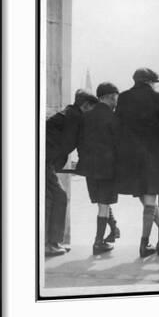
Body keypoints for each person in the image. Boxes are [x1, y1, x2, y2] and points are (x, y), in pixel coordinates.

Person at [115, 68, 159, 258]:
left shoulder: (123, 98)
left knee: (143, 194)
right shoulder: (156, 98)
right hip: (152, 153)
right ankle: (144, 244)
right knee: (150, 197)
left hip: (130, 154)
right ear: (149, 82)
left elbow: (118, 124)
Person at [45, 89, 98, 256]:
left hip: (45, 160)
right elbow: (70, 143)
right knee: (60, 197)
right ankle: (51, 243)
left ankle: (52, 242)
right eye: (92, 109)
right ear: (85, 105)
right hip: (43, 161)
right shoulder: (75, 117)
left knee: (54, 198)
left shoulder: (69, 113)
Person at [76, 82, 120, 255]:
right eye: (117, 96)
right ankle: (98, 242)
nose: (118, 99)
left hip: (88, 167)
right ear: (110, 96)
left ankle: (112, 231)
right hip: (107, 168)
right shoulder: (113, 117)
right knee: (104, 204)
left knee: (101, 203)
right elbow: (119, 144)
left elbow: (80, 141)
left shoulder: (86, 116)